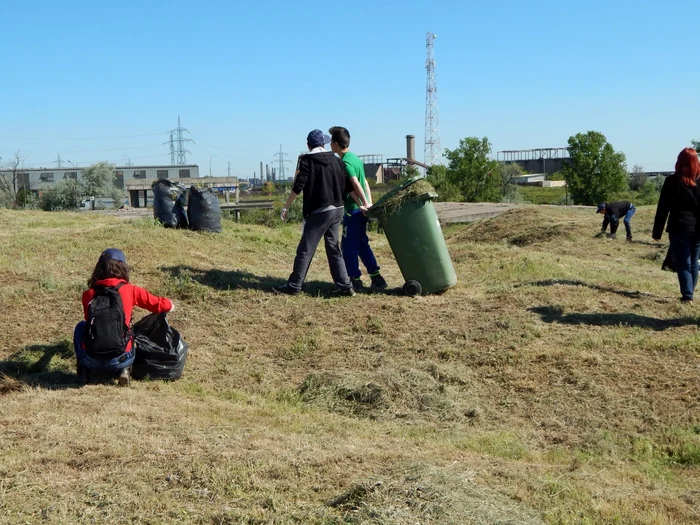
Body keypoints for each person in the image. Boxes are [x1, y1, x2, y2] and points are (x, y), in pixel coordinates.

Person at [75, 248, 175, 386]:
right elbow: (156, 304)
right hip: (121, 358)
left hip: (92, 359)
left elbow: (89, 322)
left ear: (98, 268)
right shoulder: (131, 290)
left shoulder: (88, 294)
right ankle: (124, 370)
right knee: (129, 330)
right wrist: (170, 305)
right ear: (123, 268)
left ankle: (83, 371)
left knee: (81, 327)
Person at [273, 130, 355, 297]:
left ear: (308, 144)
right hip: (338, 209)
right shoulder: (337, 160)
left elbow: (298, 185)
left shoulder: (307, 160)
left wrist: (286, 206)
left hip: (320, 211)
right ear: (323, 144)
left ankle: (294, 285)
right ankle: (345, 286)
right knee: (333, 248)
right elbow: (348, 186)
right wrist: (362, 204)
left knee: (306, 248)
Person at [329, 126, 388, 293]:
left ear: (335, 144)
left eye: (331, 142)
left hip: (353, 210)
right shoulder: (355, 158)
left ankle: (355, 280)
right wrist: (369, 203)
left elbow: (355, 184)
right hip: (361, 209)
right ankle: (377, 278)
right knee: (362, 244)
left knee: (348, 247)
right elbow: (365, 183)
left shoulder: (345, 162)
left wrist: (363, 204)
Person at [653, 148, 700, 303]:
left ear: (679, 161)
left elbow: (663, 208)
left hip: (679, 227)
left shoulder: (672, 181)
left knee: (683, 263)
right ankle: (689, 295)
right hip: (698, 228)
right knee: (693, 261)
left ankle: (687, 296)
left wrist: (657, 232)